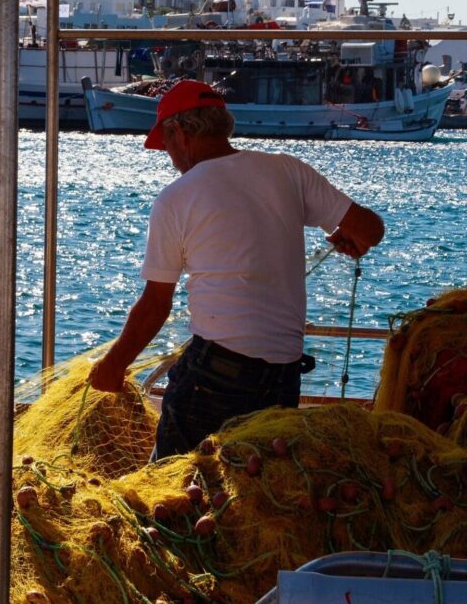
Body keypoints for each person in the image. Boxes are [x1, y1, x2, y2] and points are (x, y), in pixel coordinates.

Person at [87, 80, 384, 460]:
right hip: (283, 378)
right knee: (253, 487)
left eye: (167, 147)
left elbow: (155, 305)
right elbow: (371, 230)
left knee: (173, 489)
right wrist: (346, 235)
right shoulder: (288, 170)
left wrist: (112, 367)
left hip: (217, 378)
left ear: (180, 134)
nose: (172, 159)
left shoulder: (176, 198)